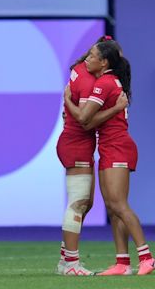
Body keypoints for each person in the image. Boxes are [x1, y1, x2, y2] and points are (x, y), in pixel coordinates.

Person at [64, 41, 155, 276]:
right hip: (109, 147)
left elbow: (85, 119)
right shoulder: (109, 81)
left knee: (119, 205)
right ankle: (122, 262)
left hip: (117, 148)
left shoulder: (104, 83)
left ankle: (146, 257)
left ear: (104, 62)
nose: (87, 59)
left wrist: (68, 101)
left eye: (92, 55)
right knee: (112, 208)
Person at [56, 38, 128, 276]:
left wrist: (67, 102)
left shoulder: (79, 69)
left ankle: (66, 258)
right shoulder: (89, 81)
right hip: (76, 143)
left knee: (87, 203)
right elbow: (85, 121)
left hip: (77, 143)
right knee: (78, 202)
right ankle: (71, 264)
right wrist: (116, 109)